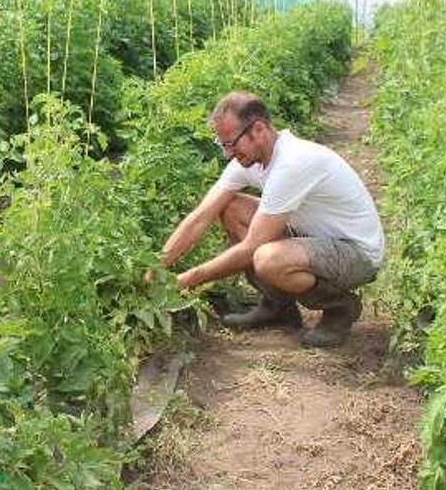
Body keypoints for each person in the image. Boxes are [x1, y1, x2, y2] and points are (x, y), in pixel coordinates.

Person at [160, 92, 384, 347]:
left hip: (355, 253)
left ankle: (339, 308)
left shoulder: (292, 163)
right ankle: (278, 308)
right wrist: (157, 267)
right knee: (232, 208)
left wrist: (185, 280)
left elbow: (252, 246)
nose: (228, 154)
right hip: (314, 237)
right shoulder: (250, 161)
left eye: (231, 143)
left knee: (267, 258)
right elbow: (202, 215)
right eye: (223, 145)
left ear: (258, 130)